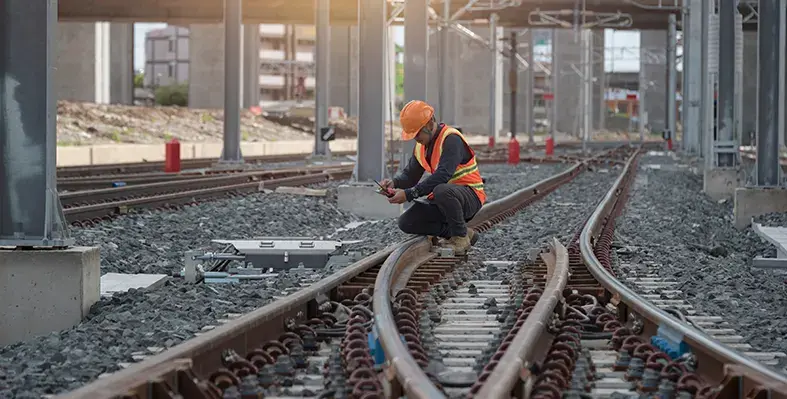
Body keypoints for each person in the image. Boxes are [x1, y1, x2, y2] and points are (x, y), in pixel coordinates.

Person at [379, 100, 486, 255]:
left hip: (470, 197)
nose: (416, 139)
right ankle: (461, 232)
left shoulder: (451, 139)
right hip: (443, 199)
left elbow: (443, 175)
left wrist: (408, 194)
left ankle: (460, 238)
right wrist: (393, 183)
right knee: (406, 222)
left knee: (441, 190)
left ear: (429, 124)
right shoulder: (421, 147)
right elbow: (410, 176)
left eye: (417, 133)